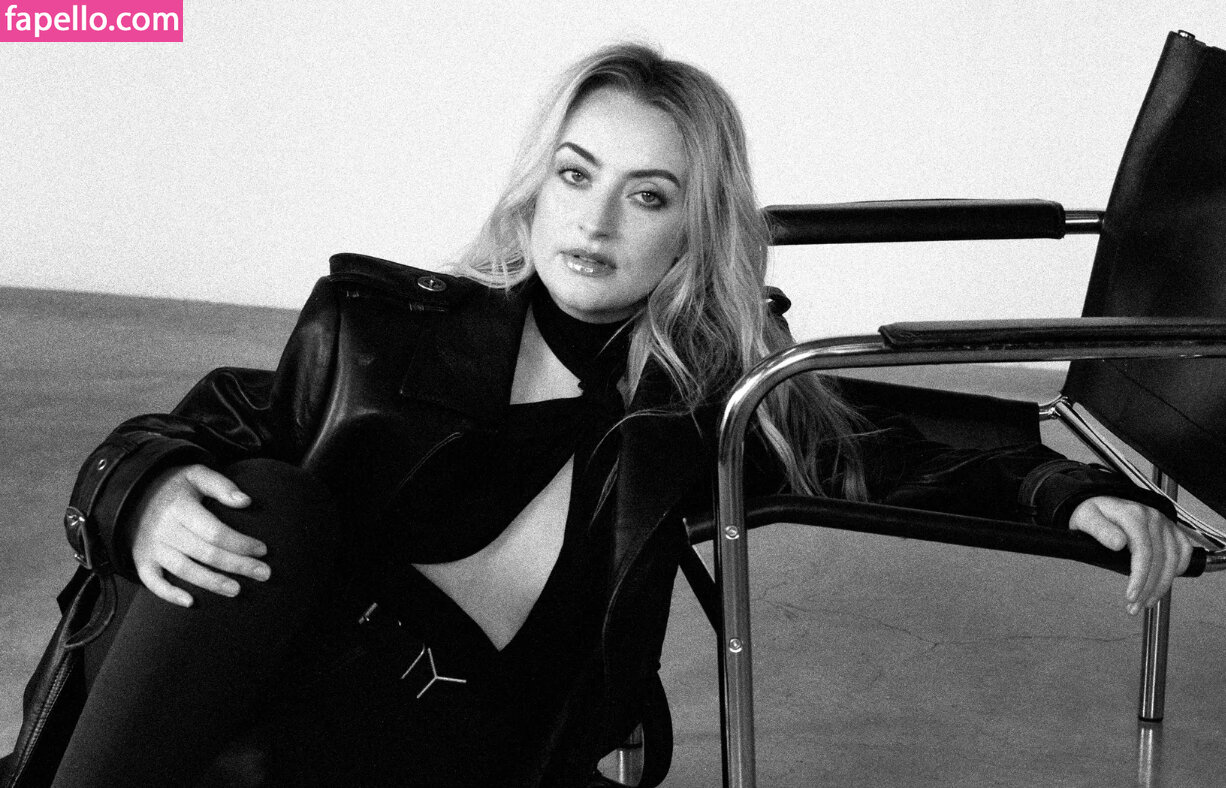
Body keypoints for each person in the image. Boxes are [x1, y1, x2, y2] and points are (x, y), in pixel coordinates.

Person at [42, 43, 1192, 787]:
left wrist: (1062, 487)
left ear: (694, 227)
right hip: (287, 690)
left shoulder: (704, 400)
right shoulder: (379, 333)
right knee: (265, 502)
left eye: (646, 195)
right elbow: (202, 430)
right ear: (534, 186)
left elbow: (874, 449)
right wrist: (145, 490)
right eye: (575, 175)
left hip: (475, 743)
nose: (594, 221)